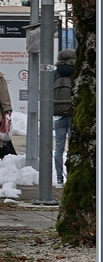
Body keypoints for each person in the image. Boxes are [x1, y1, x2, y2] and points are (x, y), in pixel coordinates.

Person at [52, 48, 75, 185]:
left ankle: (59, 178)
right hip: (73, 112)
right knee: (73, 147)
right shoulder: (77, 73)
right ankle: (71, 177)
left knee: (59, 148)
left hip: (58, 114)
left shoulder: (55, 73)